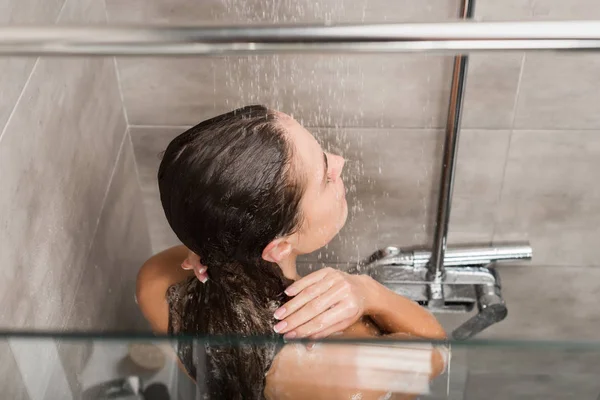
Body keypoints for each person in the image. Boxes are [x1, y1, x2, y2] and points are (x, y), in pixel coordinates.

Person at [136, 105, 447, 400]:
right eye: (326, 177)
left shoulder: (156, 281)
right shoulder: (340, 366)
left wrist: (205, 246)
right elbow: (438, 352)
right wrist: (368, 291)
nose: (338, 161)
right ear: (280, 247)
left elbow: (207, 230)